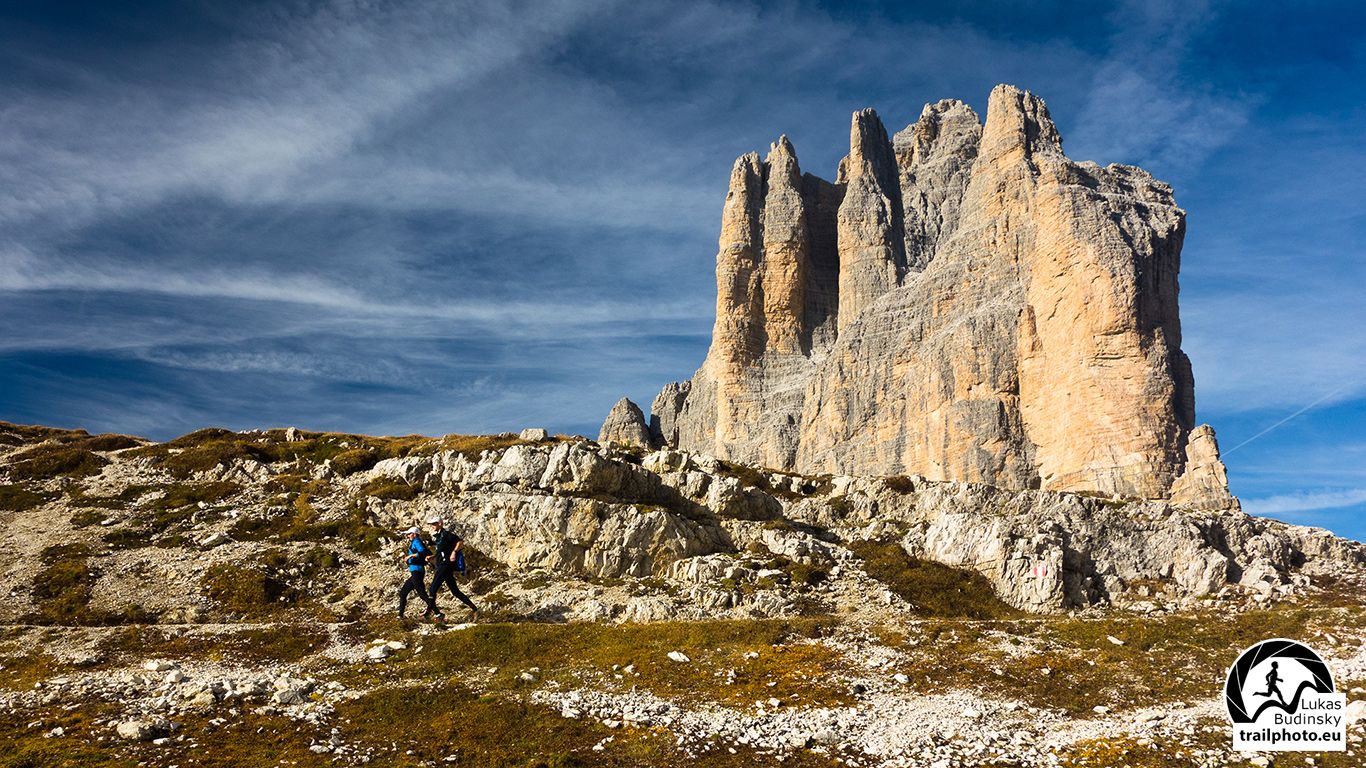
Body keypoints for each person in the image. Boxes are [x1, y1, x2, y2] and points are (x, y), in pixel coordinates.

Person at [428, 516, 479, 620]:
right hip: (442, 565)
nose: (432, 526)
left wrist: (454, 552)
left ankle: (434, 614)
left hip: (445, 565)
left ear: (440, 524)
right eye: (431, 524)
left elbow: (460, 542)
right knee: (455, 591)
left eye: (434, 524)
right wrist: (432, 557)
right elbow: (442, 551)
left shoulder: (446, 534)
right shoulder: (439, 537)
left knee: (432, 589)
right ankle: (475, 609)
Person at [397, 526, 442, 623]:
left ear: (414, 534)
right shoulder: (414, 542)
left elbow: (423, 552)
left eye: (409, 534)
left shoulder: (417, 541)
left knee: (422, 594)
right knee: (403, 593)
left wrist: (411, 555)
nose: (407, 536)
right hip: (415, 572)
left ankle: (439, 613)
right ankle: (400, 616)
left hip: (417, 571)